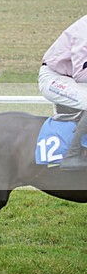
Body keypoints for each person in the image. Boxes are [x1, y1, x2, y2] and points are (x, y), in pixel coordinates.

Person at [38, 14, 87, 170]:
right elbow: (81, 74)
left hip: (71, 78)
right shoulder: (84, 30)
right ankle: (72, 156)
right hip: (55, 78)